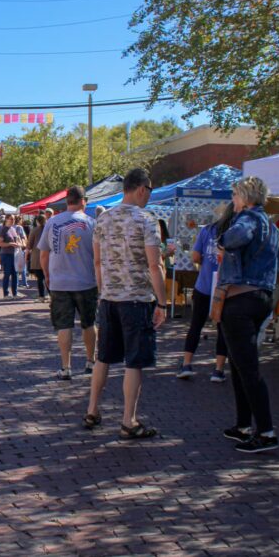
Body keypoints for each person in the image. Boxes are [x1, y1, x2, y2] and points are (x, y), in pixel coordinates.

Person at [84, 170, 167, 439]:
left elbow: (97, 262)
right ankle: (128, 420)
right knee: (134, 361)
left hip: (109, 298)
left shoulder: (103, 219)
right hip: (137, 299)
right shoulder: (146, 220)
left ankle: (92, 409)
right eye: (150, 190)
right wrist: (162, 303)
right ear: (142, 189)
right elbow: (155, 265)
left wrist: (103, 290)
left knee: (103, 357)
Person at [215, 176, 279, 454]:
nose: (233, 200)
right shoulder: (273, 225)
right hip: (262, 295)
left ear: (245, 195)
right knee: (240, 364)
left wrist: (222, 241)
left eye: (235, 194)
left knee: (247, 367)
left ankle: (266, 432)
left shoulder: (248, 219)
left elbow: (235, 237)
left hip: (241, 297)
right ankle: (243, 425)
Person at [39, 186, 98, 380]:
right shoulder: (91, 223)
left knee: (64, 325)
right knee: (88, 323)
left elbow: (44, 253)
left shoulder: (52, 222)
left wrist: (47, 275)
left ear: (67, 201)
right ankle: (90, 361)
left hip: (59, 283)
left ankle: (66, 367)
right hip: (86, 282)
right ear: (83, 201)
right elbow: (99, 257)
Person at [177, 204, 230, 383]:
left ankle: (186, 364)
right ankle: (218, 369)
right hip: (224, 288)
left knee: (195, 326)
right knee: (222, 328)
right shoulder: (233, 233)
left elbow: (195, 257)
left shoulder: (206, 231)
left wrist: (206, 264)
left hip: (204, 285)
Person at [0, 215, 26, 299]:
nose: (13, 220)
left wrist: (19, 244)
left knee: (15, 274)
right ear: (6, 219)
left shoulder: (13, 229)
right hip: (6, 255)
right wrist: (10, 244)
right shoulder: (3, 230)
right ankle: (6, 294)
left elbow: (18, 240)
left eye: (14, 219)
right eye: (11, 219)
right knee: (7, 274)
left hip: (14, 254)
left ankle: (15, 293)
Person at [26, 214, 48, 303]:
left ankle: (41, 296)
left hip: (37, 257)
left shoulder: (34, 230)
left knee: (40, 278)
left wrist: (26, 255)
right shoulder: (49, 230)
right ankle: (51, 296)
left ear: (37, 221)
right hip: (49, 257)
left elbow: (29, 245)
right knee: (48, 277)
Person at [17, 216, 31, 288]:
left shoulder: (10, 227)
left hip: (13, 249)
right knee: (23, 266)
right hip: (20, 248)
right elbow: (24, 238)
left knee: (15, 267)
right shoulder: (19, 227)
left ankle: (16, 282)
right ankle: (24, 282)